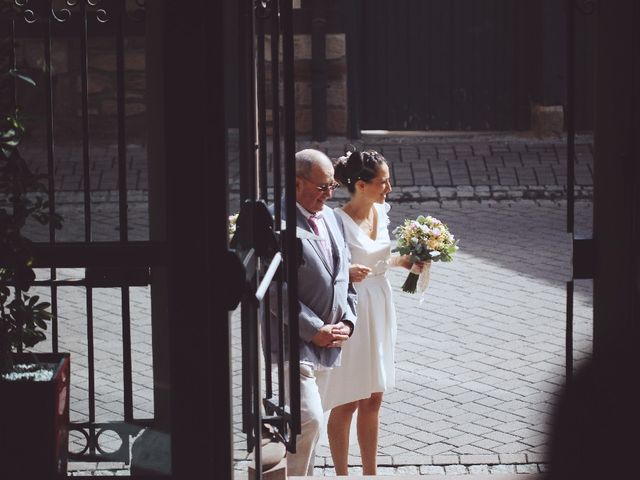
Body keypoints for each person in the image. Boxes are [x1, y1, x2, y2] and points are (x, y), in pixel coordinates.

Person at [316, 148, 424, 476]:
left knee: (374, 396)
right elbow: (320, 266)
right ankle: (341, 474)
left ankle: (370, 474)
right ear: (361, 185)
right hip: (351, 306)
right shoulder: (334, 221)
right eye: (383, 182)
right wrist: (345, 272)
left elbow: (380, 258)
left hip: (379, 302)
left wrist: (404, 262)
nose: (388, 188)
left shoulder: (380, 211)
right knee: (348, 396)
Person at [278, 148, 358, 476]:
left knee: (310, 429)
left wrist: (349, 322)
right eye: (322, 187)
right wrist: (314, 329)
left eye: (332, 187)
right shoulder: (277, 221)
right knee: (308, 419)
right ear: (298, 184)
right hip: (292, 343)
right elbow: (273, 289)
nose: (328, 194)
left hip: (330, 345)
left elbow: (344, 275)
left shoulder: (330, 218)